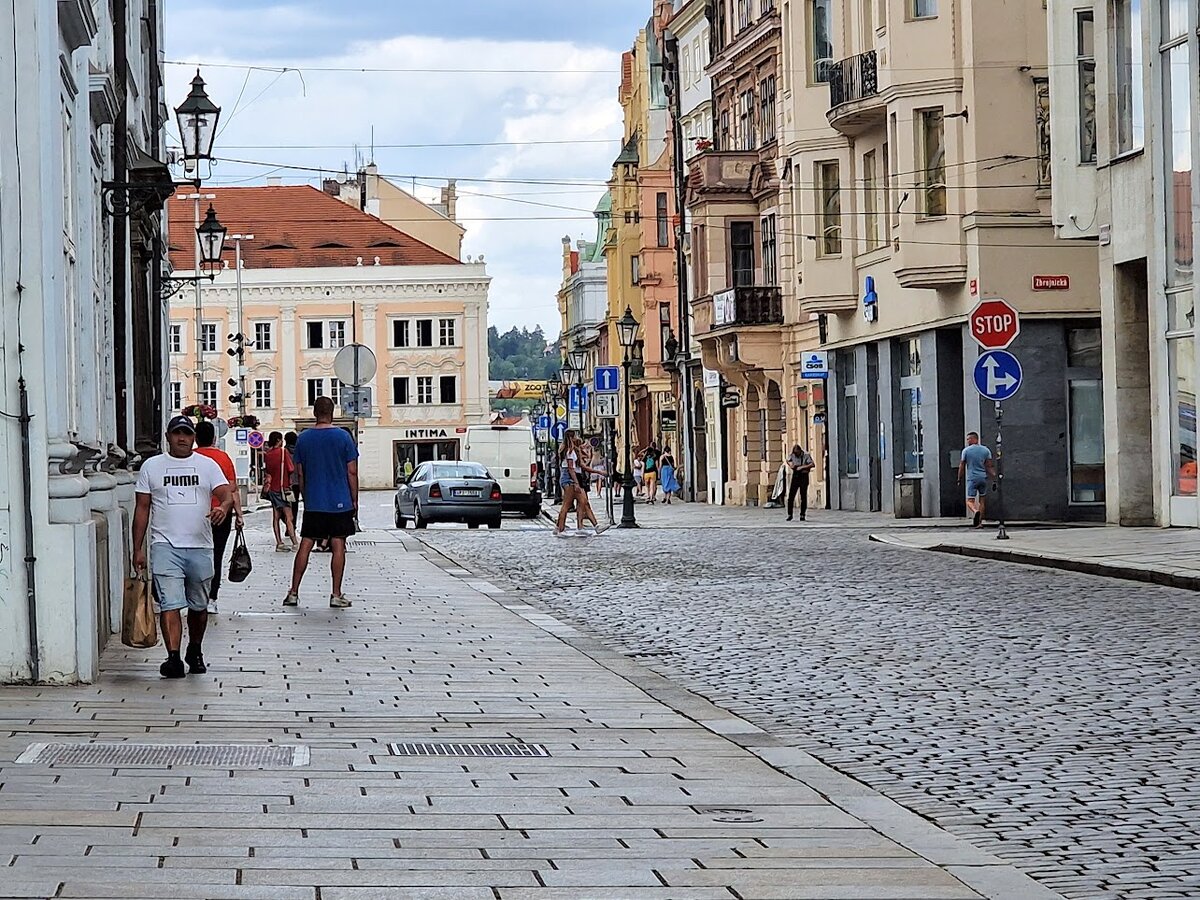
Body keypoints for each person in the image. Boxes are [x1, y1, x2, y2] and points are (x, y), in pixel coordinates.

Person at [132, 415, 233, 678]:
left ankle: (195, 649)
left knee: (198, 606)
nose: (182, 438)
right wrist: (138, 548)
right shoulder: (152, 467)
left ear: (193, 437)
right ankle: (173, 657)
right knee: (170, 603)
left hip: (200, 545)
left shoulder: (207, 465)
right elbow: (142, 508)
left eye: (186, 434)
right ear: (168, 437)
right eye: (177, 433)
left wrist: (222, 507)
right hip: (165, 545)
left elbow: (226, 493)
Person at [285, 398, 359, 608]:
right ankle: (336, 594)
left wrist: (307, 498)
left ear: (315, 413)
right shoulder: (343, 437)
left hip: (314, 501)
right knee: (338, 545)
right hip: (340, 501)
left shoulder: (304, 439)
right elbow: (351, 471)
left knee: (306, 544)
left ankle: (293, 591)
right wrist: (354, 499)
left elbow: (300, 473)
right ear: (332, 412)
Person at [193, 421, 244, 615]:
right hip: (221, 514)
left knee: (196, 554)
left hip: (197, 514)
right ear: (214, 438)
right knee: (217, 555)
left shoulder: (191, 457)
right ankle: (212, 598)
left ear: (195, 438)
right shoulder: (223, 458)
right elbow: (232, 490)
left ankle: (195, 595)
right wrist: (238, 515)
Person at [262, 431, 299, 552]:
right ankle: (294, 543)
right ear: (278, 440)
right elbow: (291, 468)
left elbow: (268, 470)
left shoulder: (268, 454)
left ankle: (279, 543)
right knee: (289, 516)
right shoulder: (283, 452)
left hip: (272, 488)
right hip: (284, 488)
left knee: (276, 517)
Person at [958, 431, 995, 528]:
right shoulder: (986, 450)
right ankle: (980, 523)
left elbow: (962, 465)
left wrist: (959, 478)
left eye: (968, 439)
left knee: (969, 501)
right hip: (983, 477)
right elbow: (989, 466)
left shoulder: (966, 451)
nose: (967, 441)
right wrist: (994, 477)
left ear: (974, 439)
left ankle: (975, 511)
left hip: (972, 478)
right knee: (982, 501)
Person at [786, 444, 816, 521]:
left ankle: (802, 514)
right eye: (795, 454)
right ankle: (790, 514)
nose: (796, 455)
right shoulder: (792, 455)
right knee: (791, 496)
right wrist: (791, 465)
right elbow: (788, 460)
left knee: (803, 496)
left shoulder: (806, 455)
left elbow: (812, 464)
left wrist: (802, 467)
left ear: (800, 451)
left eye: (797, 453)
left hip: (804, 475)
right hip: (795, 476)